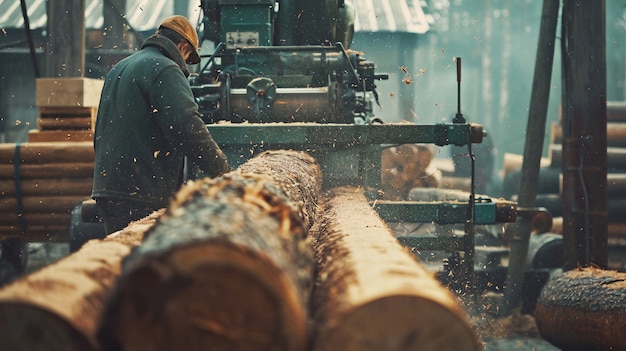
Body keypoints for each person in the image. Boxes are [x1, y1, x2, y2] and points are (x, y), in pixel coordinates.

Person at [92, 15, 230, 234]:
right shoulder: (165, 68)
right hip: (142, 191)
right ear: (183, 47)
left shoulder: (121, 67)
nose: (185, 64)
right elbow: (186, 126)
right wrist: (223, 171)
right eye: (187, 58)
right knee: (148, 263)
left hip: (108, 188)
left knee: (121, 259)